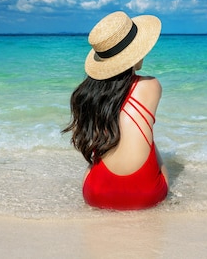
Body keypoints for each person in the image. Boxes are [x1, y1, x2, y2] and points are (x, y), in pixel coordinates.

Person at [62, 11, 168, 210]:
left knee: (100, 148)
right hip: (146, 196)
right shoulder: (152, 86)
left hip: (95, 195)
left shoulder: (86, 95)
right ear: (134, 53)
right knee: (152, 146)